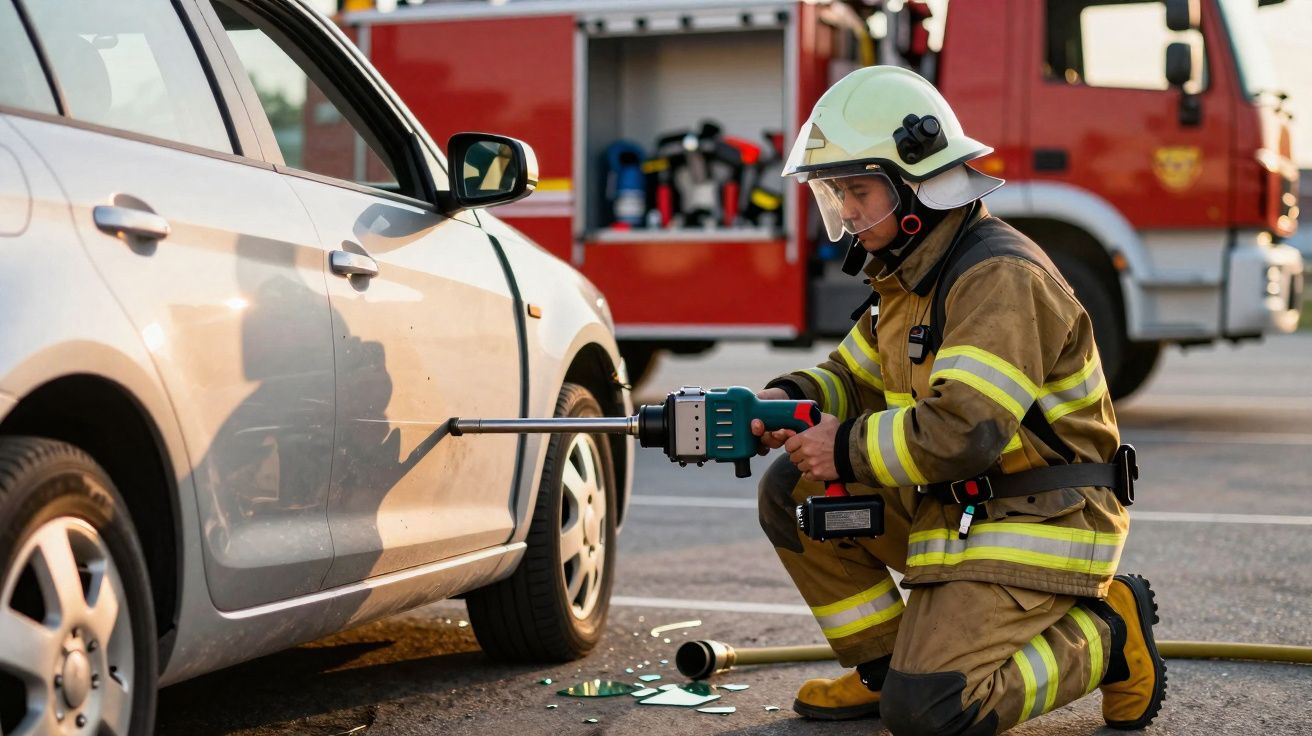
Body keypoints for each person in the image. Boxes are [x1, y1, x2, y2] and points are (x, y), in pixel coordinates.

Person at [752, 66, 1166, 734]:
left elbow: (965, 431)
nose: (848, 212)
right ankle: (887, 671)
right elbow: (850, 377)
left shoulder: (997, 278)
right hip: (964, 502)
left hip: (1045, 518)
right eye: (837, 194)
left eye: (858, 190)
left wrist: (843, 448)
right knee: (793, 493)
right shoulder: (909, 272)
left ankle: (1109, 634)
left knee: (934, 713)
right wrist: (782, 401)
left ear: (919, 183)